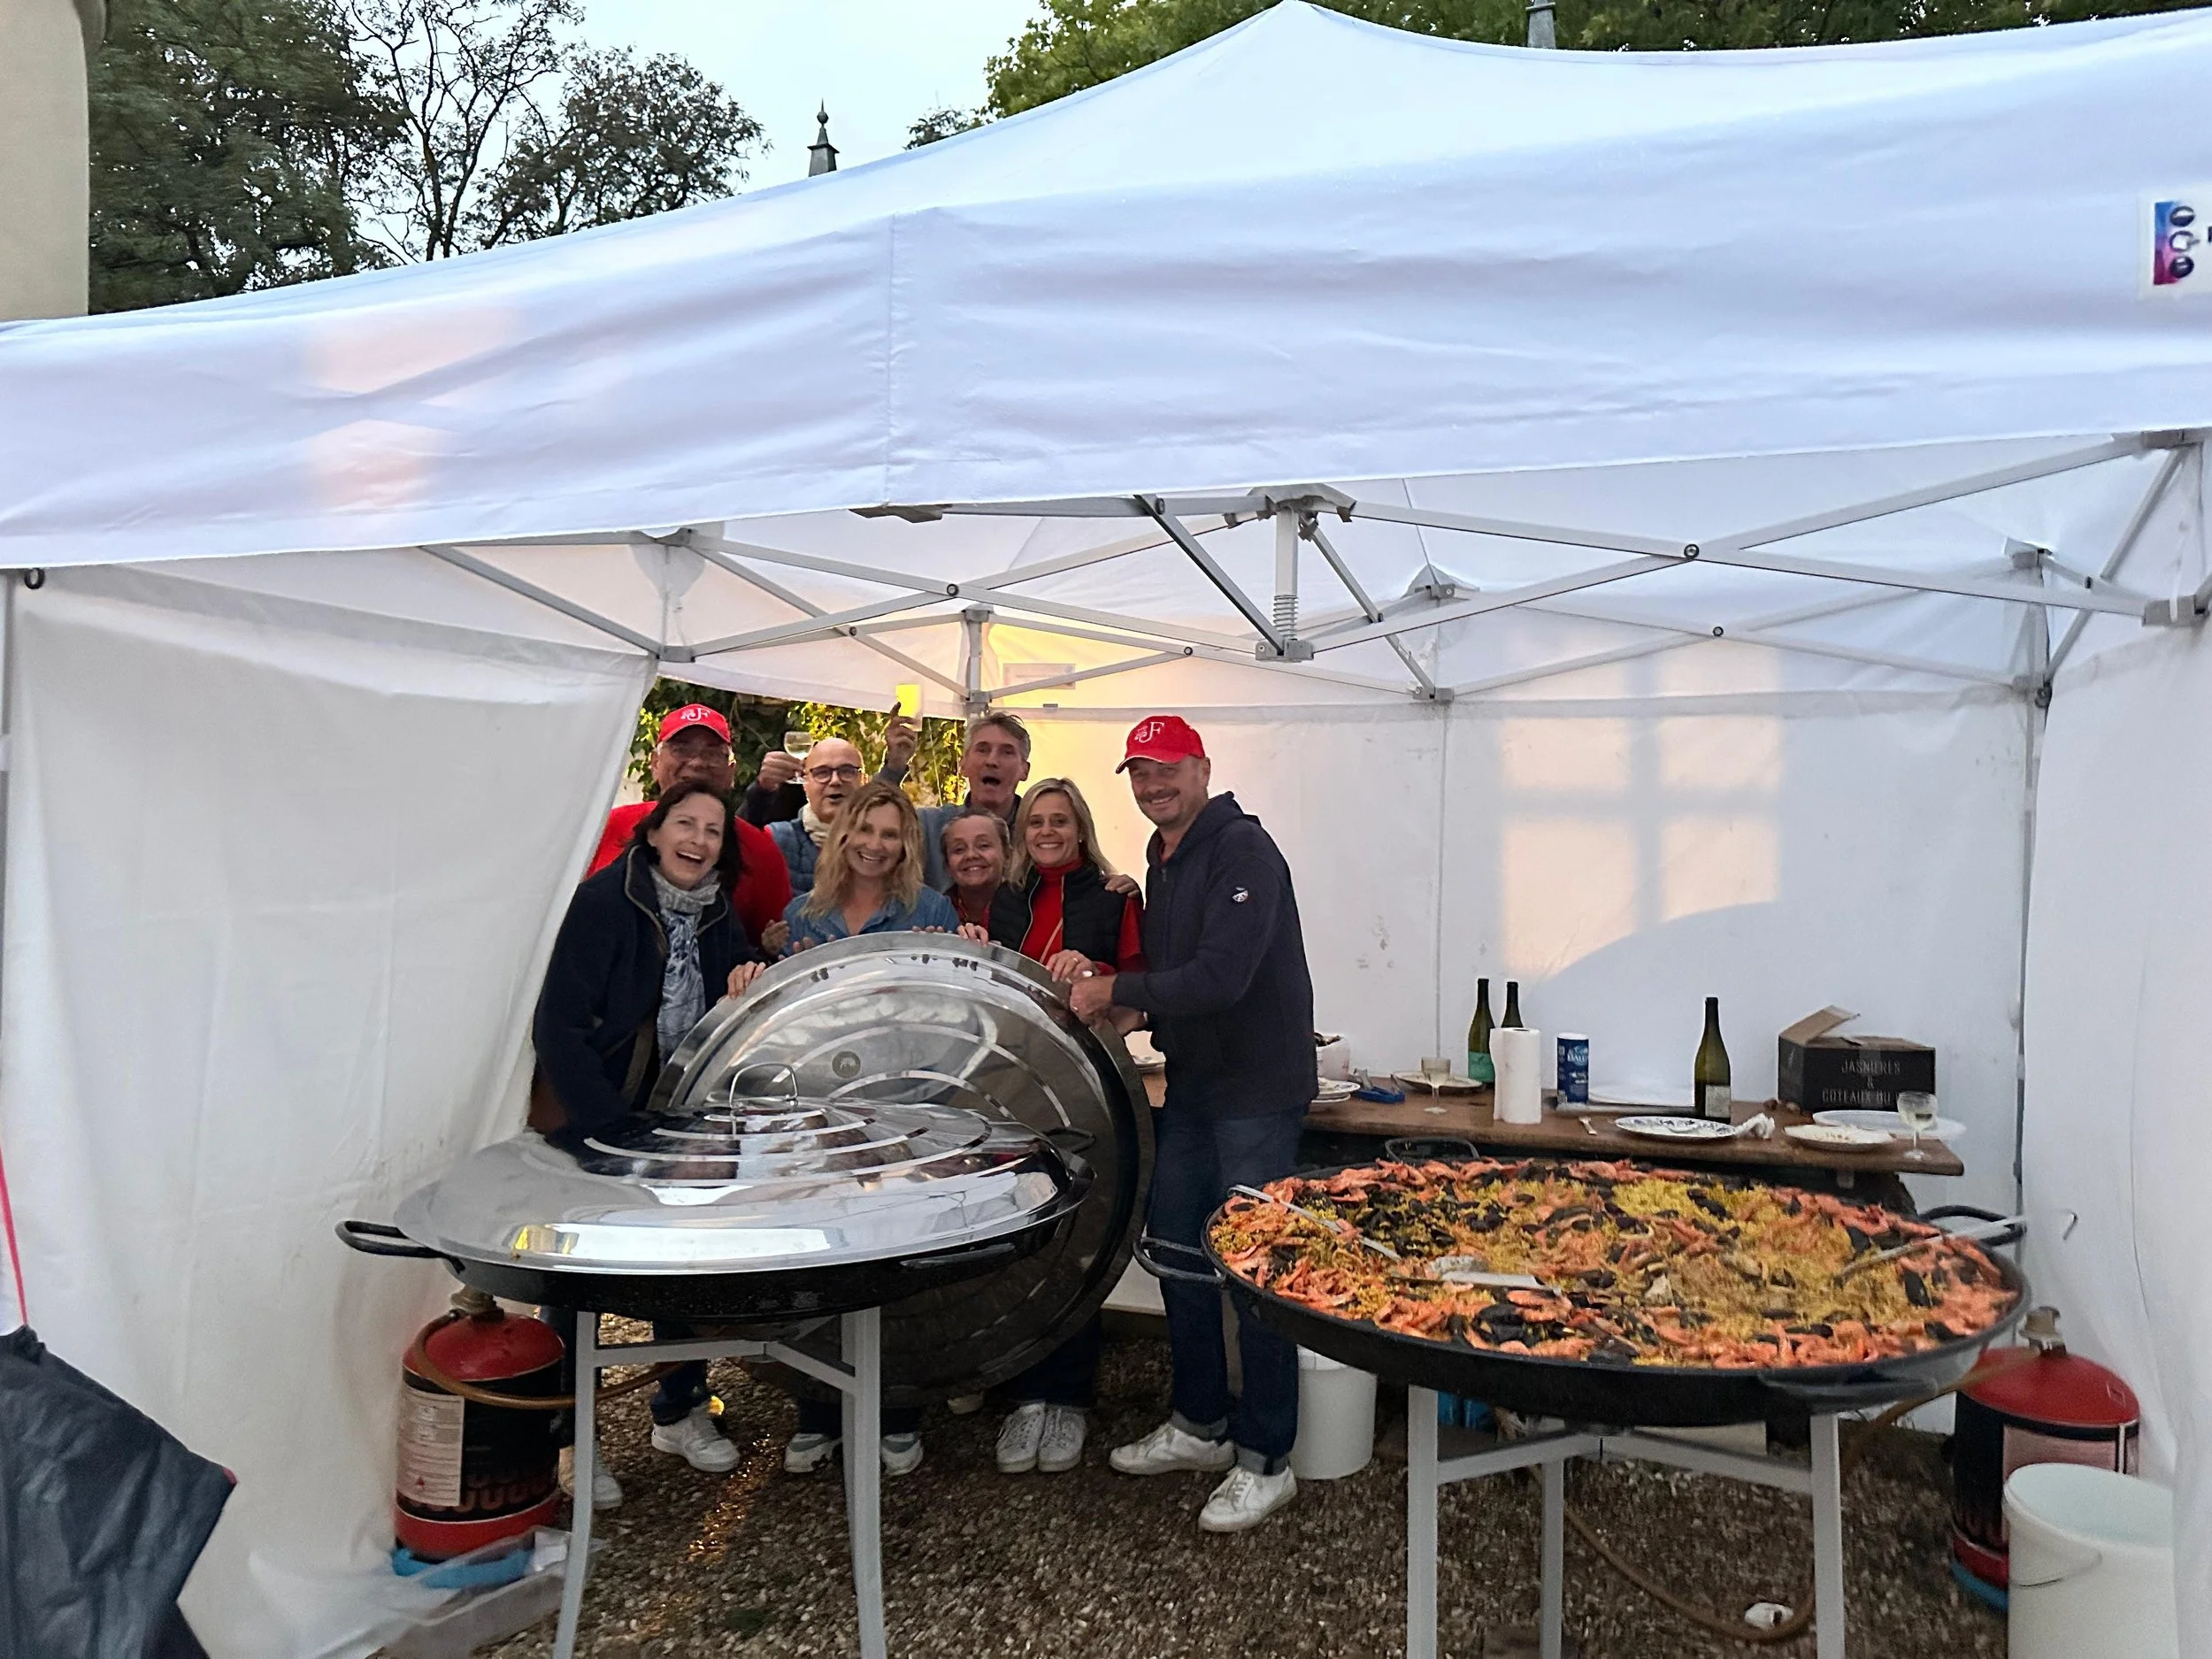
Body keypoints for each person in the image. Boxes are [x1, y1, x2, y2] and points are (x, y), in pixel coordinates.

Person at [1068, 716, 1317, 1533]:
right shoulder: (1161, 857)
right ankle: (1200, 1422)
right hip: (1195, 1087)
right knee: (1177, 1247)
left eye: (1165, 768)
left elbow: (1221, 976)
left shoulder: (1243, 849)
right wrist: (1132, 1003)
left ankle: (1266, 1458)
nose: (1150, 785)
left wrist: (1117, 988)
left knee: (1254, 1266)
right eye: (1138, 772)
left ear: (1202, 767)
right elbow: (1179, 979)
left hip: (1256, 1092)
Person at [534, 780, 772, 1506]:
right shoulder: (604, 902)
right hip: (598, 1114)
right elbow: (559, 1028)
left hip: (675, 1115)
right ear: (653, 831)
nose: (699, 840)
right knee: (575, 1283)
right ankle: (574, 1438)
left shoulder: (717, 913)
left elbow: (720, 1010)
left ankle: (681, 1406)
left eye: (712, 830)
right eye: (685, 824)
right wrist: (604, 1126)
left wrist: (747, 972)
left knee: (682, 1265)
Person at [770, 779, 962, 1476]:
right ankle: (817, 1410)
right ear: (843, 834)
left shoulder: (929, 910)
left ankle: (897, 1411)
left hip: (901, 1109)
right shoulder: (803, 915)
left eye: (892, 833)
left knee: (894, 1264)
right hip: (818, 1113)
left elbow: (948, 1014)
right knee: (818, 1263)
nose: (877, 845)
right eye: (867, 830)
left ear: (906, 844)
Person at [985, 779, 1145, 1477]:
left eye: (1060, 820)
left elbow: (1141, 982)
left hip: (1088, 1088)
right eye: (1036, 821)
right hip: (1013, 1088)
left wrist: (1100, 973)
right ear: (1022, 832)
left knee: (1081, 1238)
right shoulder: (1005, 897)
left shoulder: (1115, 895)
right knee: (1022, 1238)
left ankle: (1070, 1397)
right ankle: (1027, 1394)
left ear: (1080, 828)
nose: (1047, 830)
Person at [747, 711, 1033, 893]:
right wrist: (894, 766)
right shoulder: (929, 824)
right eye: (982, 750)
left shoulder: (1038, 833)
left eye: (1007, 752)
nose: (992, 761)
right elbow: (870, 820)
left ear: (1024, 770)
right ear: (963, 765)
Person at [588, 704, 789, 945]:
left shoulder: (760, 850)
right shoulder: (606, 826)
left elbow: (771, 949)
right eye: (681, 749)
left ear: (731, 772)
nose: (696, 763)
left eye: (712, 753)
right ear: (654, 764)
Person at [765, 735, 867, 902]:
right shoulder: (775, 839)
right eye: (822, 773)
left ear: (864, 780)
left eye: (847, 771)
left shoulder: (883, 843)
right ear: (805, 783)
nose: (835, 781)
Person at [941, 804, 1011, 931]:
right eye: (959, 849)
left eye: (983, 845)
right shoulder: (935, 913)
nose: (971, 855)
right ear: (947, 864)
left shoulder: (1029, 909)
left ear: (1007, 854)